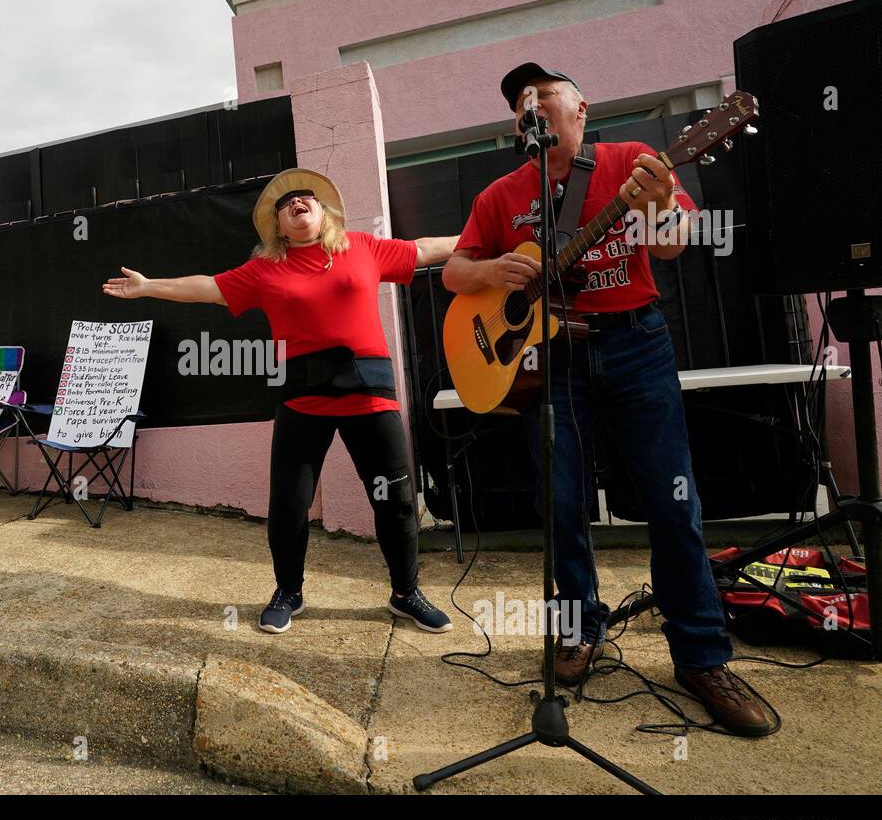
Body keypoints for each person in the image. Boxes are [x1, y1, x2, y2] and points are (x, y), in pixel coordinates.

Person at [441, 62, 774, 737]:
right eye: (520, 107)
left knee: (672, 501)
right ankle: (577, 629)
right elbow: (453, 271)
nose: (532, 111)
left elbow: (677, 239)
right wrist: (493, 269)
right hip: (552, 361)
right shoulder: (500, 195)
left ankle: (702, 656)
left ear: (582, 110)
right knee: (559, 507)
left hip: (634, 344)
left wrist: (653, 207)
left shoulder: (633, 161)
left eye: (545, 99)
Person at [103, 168, 458, 634]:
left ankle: (405, 593)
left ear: (322, 209)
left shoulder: (361, 246)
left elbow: (427, 248)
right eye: (285, 205)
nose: (296, 203)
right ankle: (289, 591)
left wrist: (490, 234)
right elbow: (208, 287)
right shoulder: (265, 270)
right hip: (302, 401)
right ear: (278, 226)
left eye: (304, 197)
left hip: (369, 397)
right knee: (290, 505)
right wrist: (150, 286)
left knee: (394, 501)